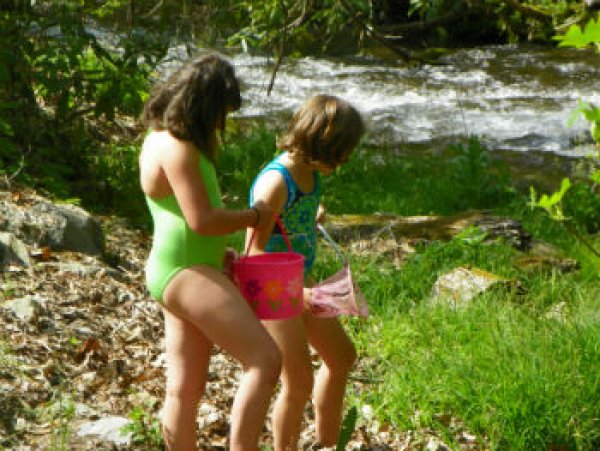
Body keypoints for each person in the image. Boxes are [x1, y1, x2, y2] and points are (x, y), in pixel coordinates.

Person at [139, 52, 282, 451]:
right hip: (185, 271)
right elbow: (201, 219)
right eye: (221, 113)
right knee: (265, 359)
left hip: (182, 267)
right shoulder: (178, 149)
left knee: (185, 387)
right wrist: (255, 216)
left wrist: (219, 255)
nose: (222, 123)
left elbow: (184, 220)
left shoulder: (158, 140)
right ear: (205, 106)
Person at [246, 94, 365, 450]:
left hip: (300, 279)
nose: (344, 162)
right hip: (273, 290)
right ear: (322, 144)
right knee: (298, 382)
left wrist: (311, 216)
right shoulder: (276, 183)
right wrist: (299, 295)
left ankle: (327, 443)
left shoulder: (309, 173)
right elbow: (252, 255)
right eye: (341, 154)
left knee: (341, 357)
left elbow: (289, 221)